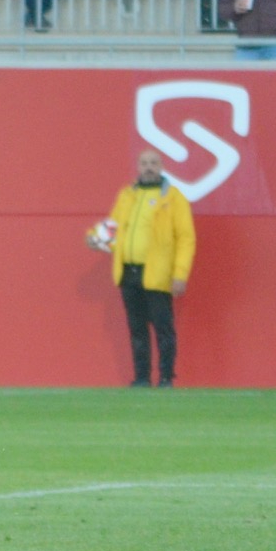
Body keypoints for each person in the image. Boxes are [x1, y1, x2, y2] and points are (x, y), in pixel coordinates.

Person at [96, 150, 193, 387]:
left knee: (163, 328)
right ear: (138, 167)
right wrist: (96, 238)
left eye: (153, 163)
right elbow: (114, 226)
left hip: (157, 273)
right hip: (128, 271)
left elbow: (186, 238)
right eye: (144, 163)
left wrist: (180, 273)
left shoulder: (173, 198)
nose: (148, 167)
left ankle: (166, 377)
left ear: (161, 167)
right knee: (137, 328)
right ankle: (141, 378)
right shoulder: (127, 195)